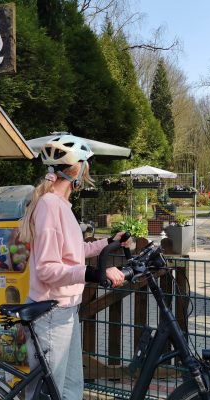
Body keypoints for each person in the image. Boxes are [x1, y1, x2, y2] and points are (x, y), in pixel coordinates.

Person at [18, 134, 130, 399]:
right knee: (51, 392)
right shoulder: (48, 206)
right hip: (50, 314)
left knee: (70, 388)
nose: (88, 170)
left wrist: (108, 242)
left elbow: (72, 254)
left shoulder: (62, 206)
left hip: (66, 310)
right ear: (77, 168)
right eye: (87, 164)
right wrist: (94, 273)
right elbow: (47, 269)